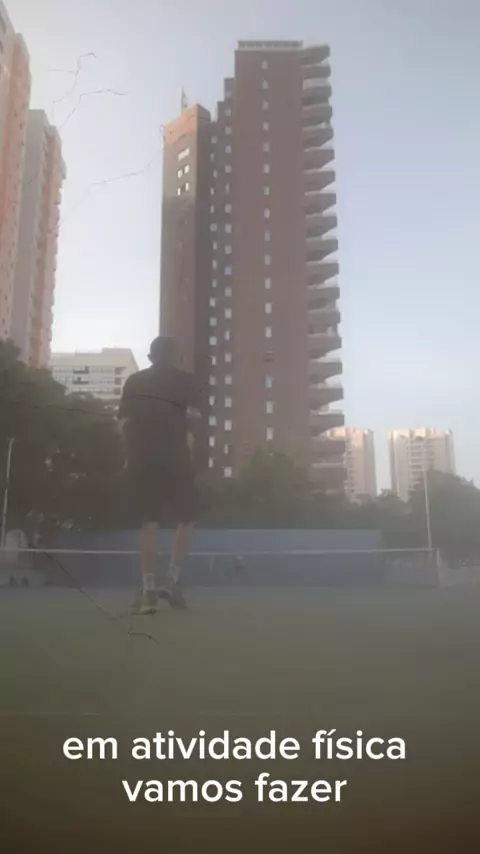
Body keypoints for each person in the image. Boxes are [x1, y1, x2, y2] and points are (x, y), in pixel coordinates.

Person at [118, 336, 202, 614]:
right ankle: (172, 579)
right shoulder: (187, 381)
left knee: (149, 522)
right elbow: (194, 420)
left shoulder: (134, 382)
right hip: (176, 455)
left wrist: (130, 455)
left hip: (143, 457)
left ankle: (147, 589)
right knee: (187, 518)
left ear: (151, 356)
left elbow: (124, 423)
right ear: (175, 355)